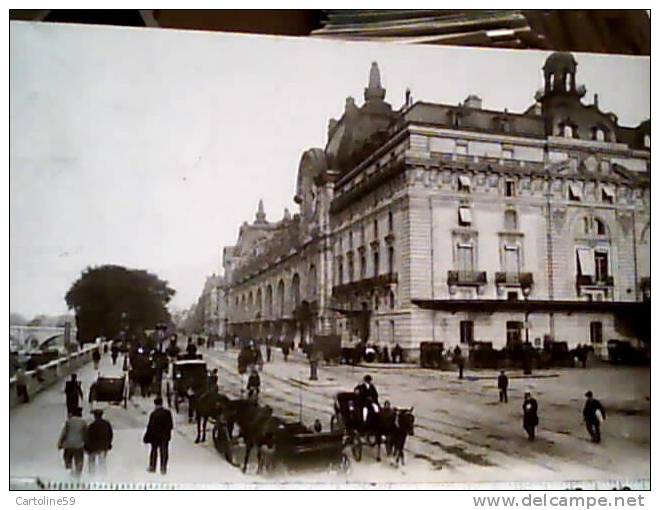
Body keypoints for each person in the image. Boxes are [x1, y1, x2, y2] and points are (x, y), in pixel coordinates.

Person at [143, 397, 173, 474]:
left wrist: (147, 436)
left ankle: (152, 466)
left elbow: (150, 426)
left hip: (155, 436)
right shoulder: (167, 413)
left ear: (155, 404)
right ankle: (163, 468)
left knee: (153, 451)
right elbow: (170, 425)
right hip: (164, 436)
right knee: (164, 452)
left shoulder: (153, 414)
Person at [58, 407, 87, 476]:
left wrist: (60, 443)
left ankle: (68, 473)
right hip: (79, 445)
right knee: (79, 461)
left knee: (67, 459)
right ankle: (77, 475)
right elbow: (85, 434)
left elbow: (64, 433)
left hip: (68, 445)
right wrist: (87, 444)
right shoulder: (83, 422)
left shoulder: (69, 421)